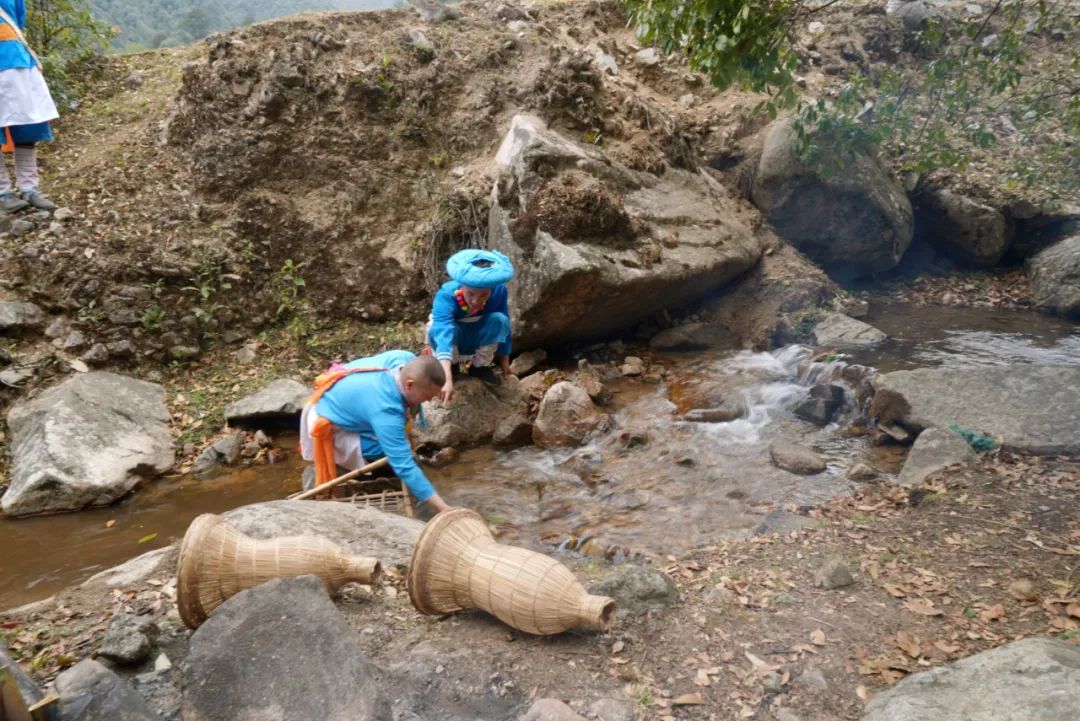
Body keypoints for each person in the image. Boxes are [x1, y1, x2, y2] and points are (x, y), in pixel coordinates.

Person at [298, 350, 451, 514]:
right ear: (409, 385)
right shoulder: (386, 409)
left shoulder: (405, 360)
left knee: (399, 437)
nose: (429, 400)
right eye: (427, 395)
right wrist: (443, 507)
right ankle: (366, 469)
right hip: (327, 420)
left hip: (343, 397)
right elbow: (403, 463)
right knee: (390, 449)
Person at [428, 248, 515, 403]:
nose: (476, 301)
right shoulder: (446, 295)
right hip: (454, 336)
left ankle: (479, 367)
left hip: (477, 334)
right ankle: (451, 368)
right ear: (461, 286)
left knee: (500, 319)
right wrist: (447, 379)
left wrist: (505, 360)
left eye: (483, 295)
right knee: (438, 327)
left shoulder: (499, 291)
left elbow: (504, 322)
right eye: (470, 294)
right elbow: (443, 333)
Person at [0, 0, 59, 213]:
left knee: (28, 126)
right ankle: (3, 194)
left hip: (16, 59)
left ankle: (29, 189)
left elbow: (19, 18)